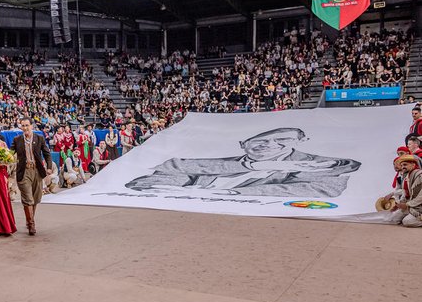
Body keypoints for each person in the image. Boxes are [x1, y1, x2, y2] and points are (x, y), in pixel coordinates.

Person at [127, 127, 361, 197]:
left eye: (281, 140)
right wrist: (253, 167)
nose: (267, 145)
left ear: (297, 143)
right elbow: (151, 179)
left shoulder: (321, 164)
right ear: (243, 144)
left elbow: (321, 189)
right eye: (259, 140)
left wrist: (230, 194)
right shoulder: (192, 164)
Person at [11, 117, 52, 236]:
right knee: (27, 198)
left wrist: (49, 167)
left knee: (35, 197)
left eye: (27, 125)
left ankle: (30, 219)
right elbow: (10, 153)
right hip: (24, 172)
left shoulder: (39, 138)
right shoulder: (17, 139)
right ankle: (31, 225)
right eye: (22, 126)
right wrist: (3, 157)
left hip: (37, 171)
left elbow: (47, 153)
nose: (25, 128)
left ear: (31, 126)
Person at [386, 155, 422, 227]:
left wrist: (407, 205)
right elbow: (405, 193)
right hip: (410, 205)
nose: (403, 167)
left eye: (405, 164)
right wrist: (399, 205)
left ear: (413, 164)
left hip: (419, 206)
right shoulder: (406, 177)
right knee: (393, 219)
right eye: (402, 165)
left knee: (407, 221)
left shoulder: (420, 175)